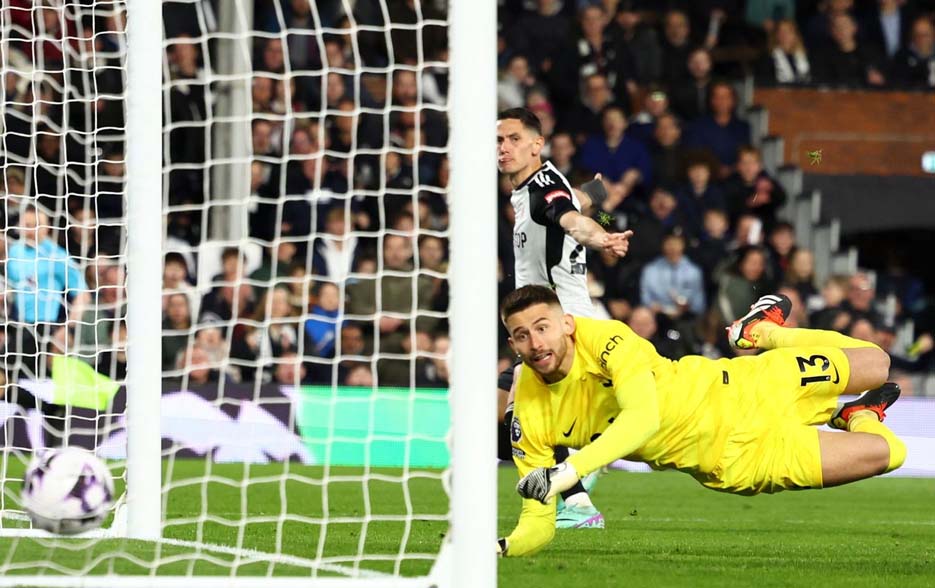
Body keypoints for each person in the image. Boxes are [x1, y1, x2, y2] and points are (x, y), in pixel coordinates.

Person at [496, 285, 905, 557]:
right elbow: (538, 520)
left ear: (566, 324)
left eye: (542, 328)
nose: (535, 344)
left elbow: (642, 418)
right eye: (521, 335)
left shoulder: (604, 338)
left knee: (877, 362)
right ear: (512, 343)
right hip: (736, 459)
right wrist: (501, 548)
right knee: (888, 453)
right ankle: (859, 414)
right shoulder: (530, 418)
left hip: (744, 386)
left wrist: (568, 471)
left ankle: (762, 332)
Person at [496, 107, 632, 529]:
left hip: (554, 325)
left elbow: (571, 220)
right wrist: (598, 198)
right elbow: (581, 203)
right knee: (514, 423)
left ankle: (576, 497)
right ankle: (581, 476)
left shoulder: (541, 191)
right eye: (499, 140)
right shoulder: (540, 188)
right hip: (557, 321)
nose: (503, 148)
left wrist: (601, 235)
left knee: (515, 421)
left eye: (514, 139)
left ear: (537, 144)